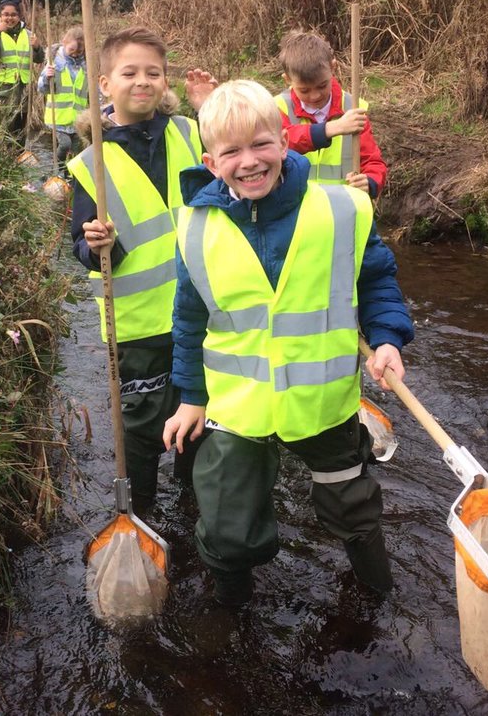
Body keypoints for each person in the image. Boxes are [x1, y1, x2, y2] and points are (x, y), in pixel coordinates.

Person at [162, 79, 413, 607]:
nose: (249, 162)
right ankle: (234, 613)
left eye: (261, 145)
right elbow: (187, 319)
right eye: (232, 152)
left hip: (322, 403)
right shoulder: (195, 229)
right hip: (238, 406)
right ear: (211, 162)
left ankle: (376, 600)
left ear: (285, 140)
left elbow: (377, 282)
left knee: (355, 511)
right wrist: (190, 396)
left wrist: (387, 339)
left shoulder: (342, 210)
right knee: (228, 528)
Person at [67, 26, 205, 513]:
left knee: (201, 411)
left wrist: (208, 106)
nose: (142, 81)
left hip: (203, 313)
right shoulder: (90, 164)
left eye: (154, 72)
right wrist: (97, 245)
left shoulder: (189, 133)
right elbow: (80, 247)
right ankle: (143, 511)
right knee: (143, 427)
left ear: (165, 81)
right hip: (138, 326)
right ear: (105, 84)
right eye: (129, 73)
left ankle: (193, 499)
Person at [276, 30, 387, 197]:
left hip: (342, 208)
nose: (314, 96)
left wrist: (369, 182)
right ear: (287, 79)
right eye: (304, 90)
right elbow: (277, 145)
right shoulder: (277, 107)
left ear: (333, 67)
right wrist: (330, 129)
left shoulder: (353, 108)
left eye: (322, 86)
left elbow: (373, 161)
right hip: (295, 212)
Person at [0, 0, 43, 145]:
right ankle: (5, 158)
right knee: (5, 125)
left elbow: (39, 59)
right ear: (0, 16)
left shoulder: (29, 35)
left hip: (23, 87)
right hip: (3, 88)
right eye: (6, 14)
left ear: (19, 16)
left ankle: (19, 156)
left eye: (13, 15)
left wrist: (37, 47)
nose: (9, 18)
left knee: (21, 125)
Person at [38, 25, 87, 172]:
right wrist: (47, 77)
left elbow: (91, 92)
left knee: (77, 151)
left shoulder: (86, 66)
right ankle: (55, 170)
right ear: (64, 42)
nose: (75, 54)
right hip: (58, 118)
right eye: (72, 50)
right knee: (65, 145)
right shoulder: (54, 63)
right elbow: (42, 89)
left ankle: (69, 177)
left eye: (79, 51)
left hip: (78, 119)